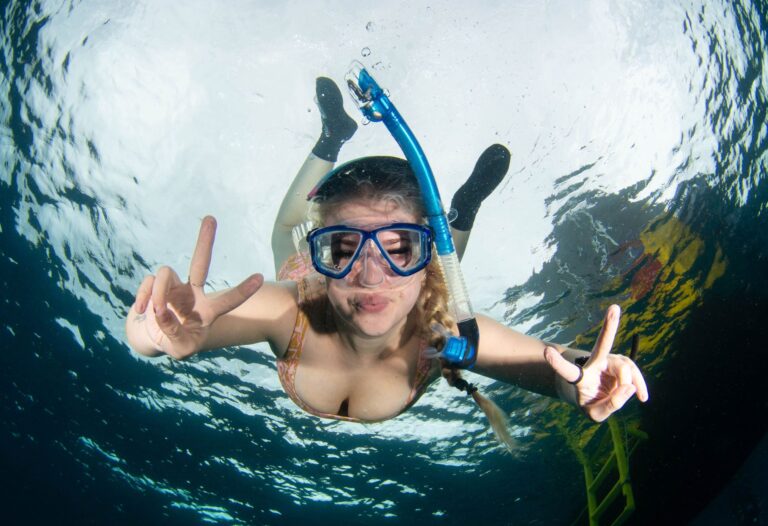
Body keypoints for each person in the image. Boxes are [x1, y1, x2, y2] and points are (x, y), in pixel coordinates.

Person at [125, 77, 648, 449]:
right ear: (320, 254)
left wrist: (581, 376)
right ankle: (335, 138)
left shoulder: (445, 330)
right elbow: (164, 335)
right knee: (290, 234)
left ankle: (456, 214)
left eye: (399, 247)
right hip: (318, 286)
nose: (371, 273)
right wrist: (158, 331)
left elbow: (549, 366)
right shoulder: (290, 309)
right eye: (344, 247)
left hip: (426, 286)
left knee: (445, 274)